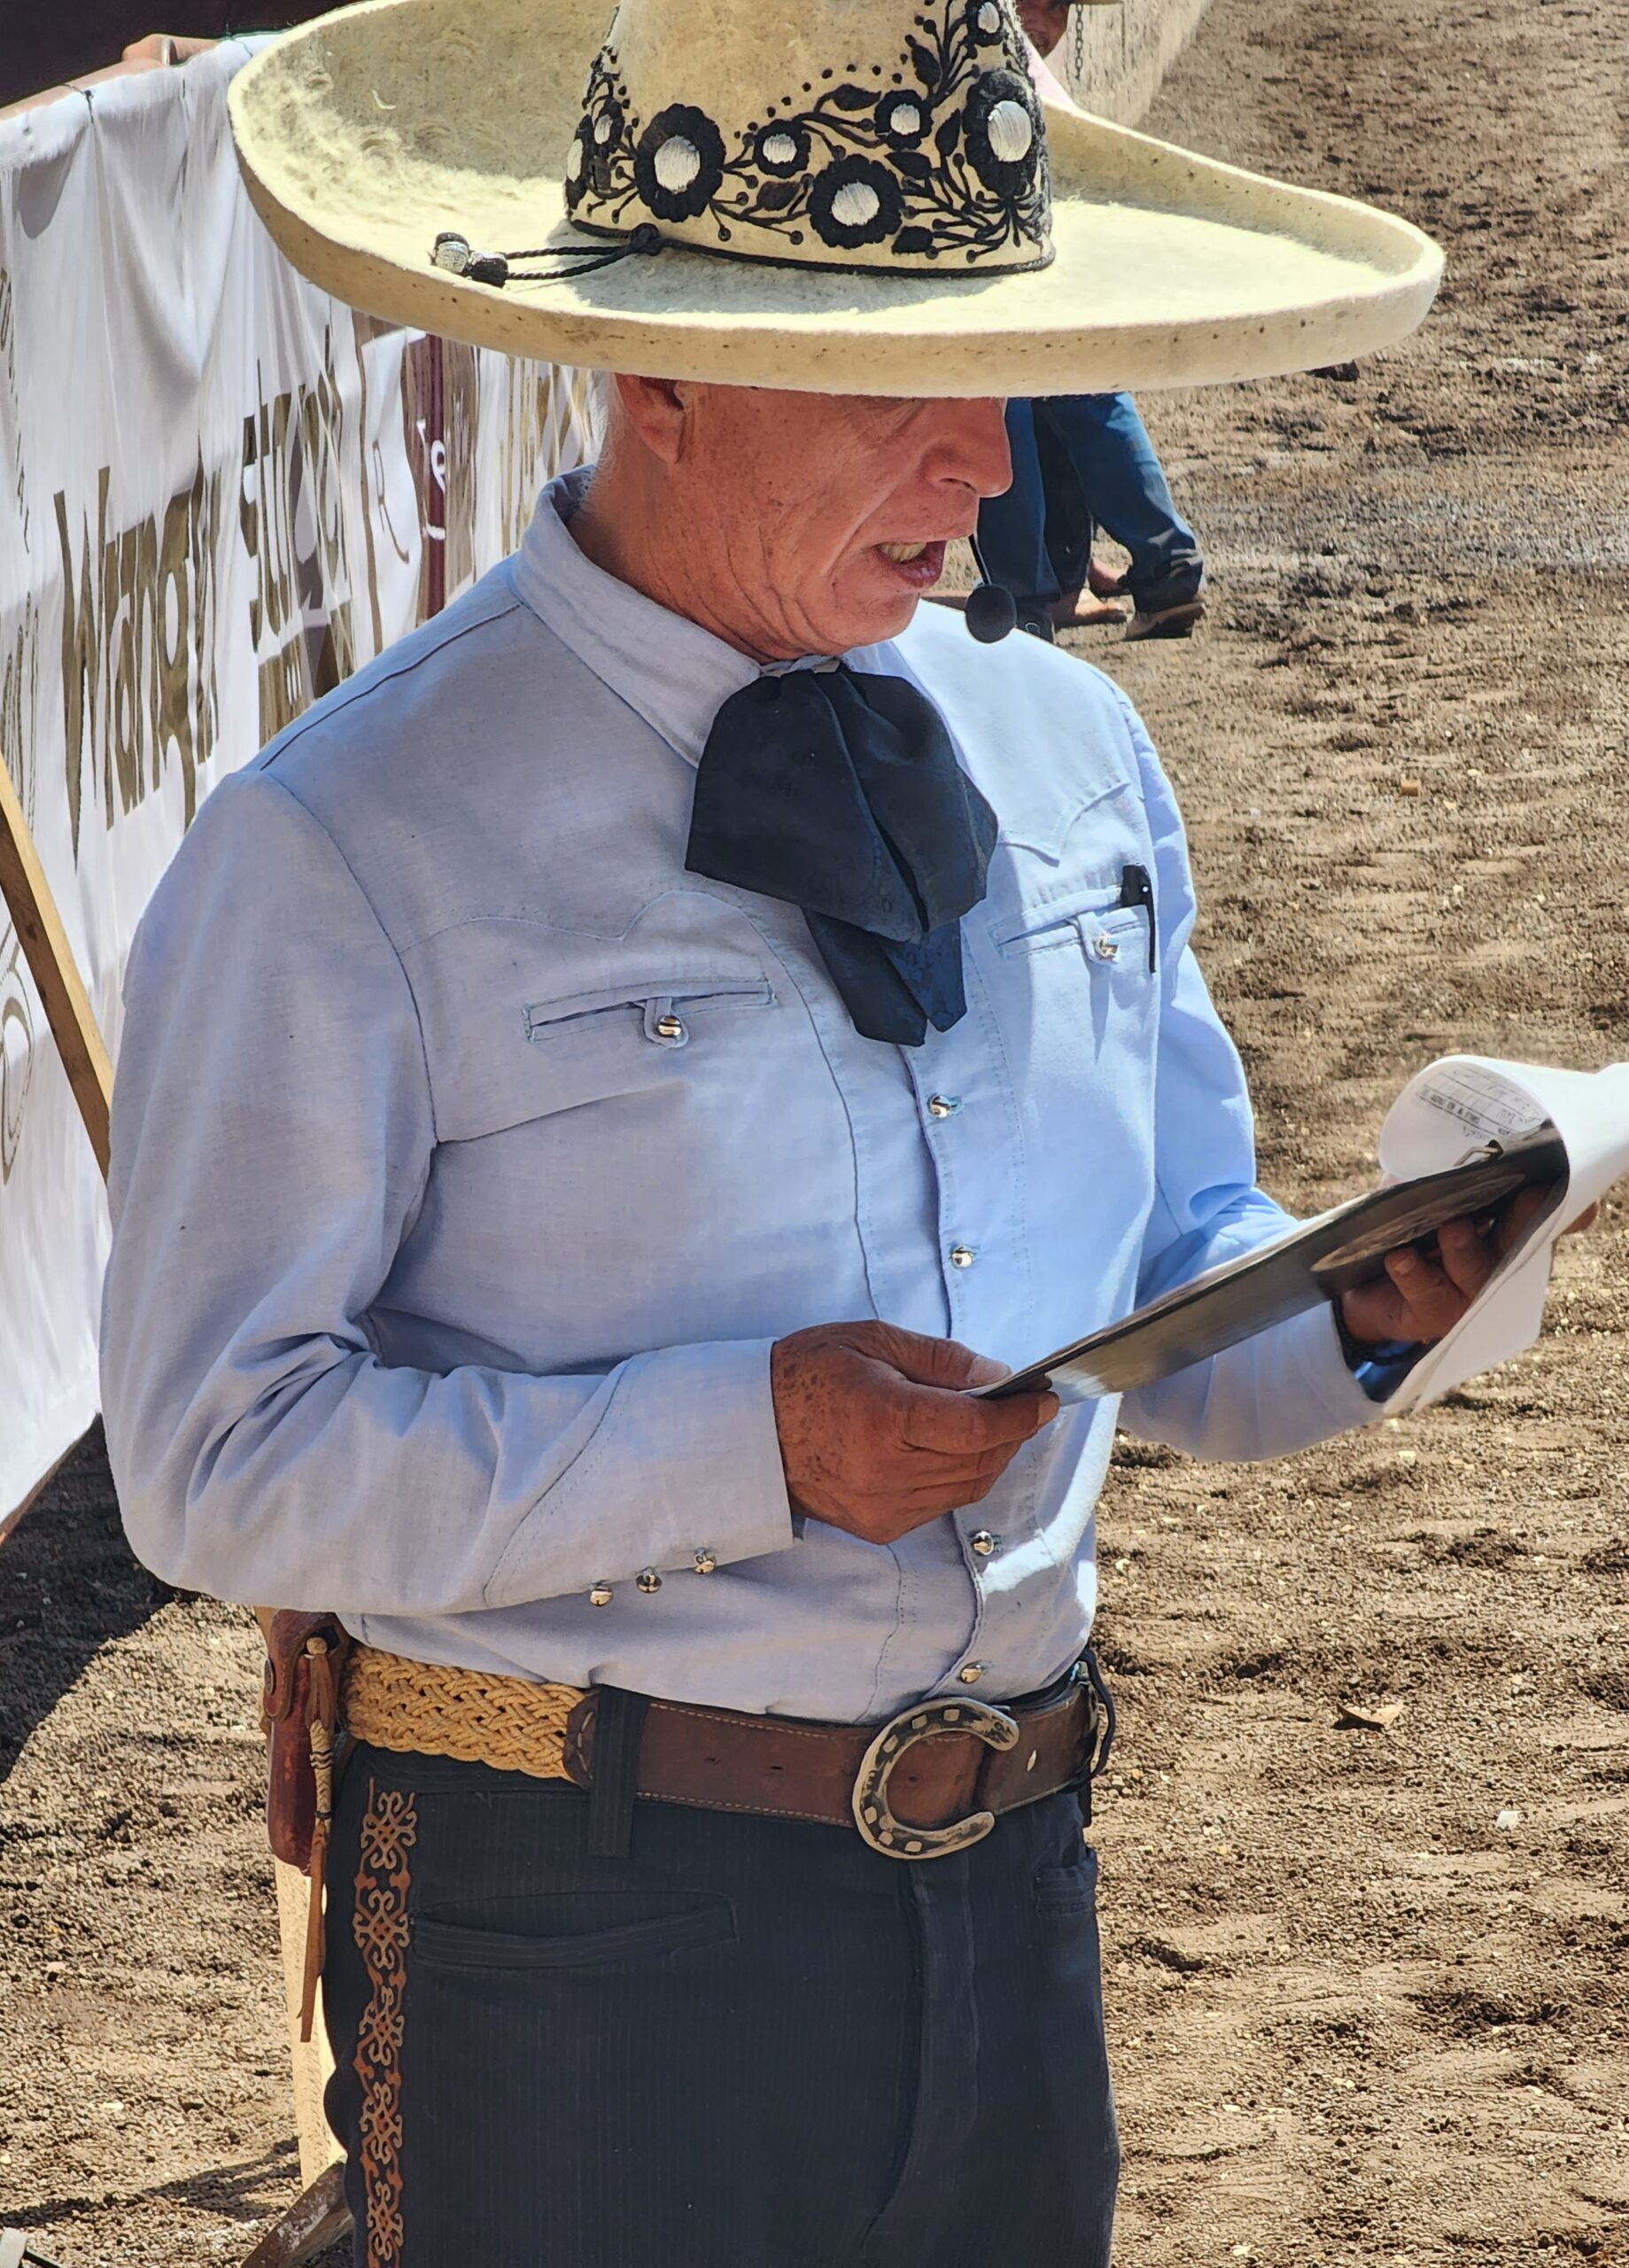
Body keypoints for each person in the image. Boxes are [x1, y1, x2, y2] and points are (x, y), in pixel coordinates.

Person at [101, 0, 1453, 2259]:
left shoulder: (1074, 754)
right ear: (666, 376)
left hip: (1015, 1873)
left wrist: (1372, 1296)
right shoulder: (349, 839)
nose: (983, 461)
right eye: (894, 390)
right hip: (577, 1926)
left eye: (1005, 370)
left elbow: (1170, 1288)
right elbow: (214, 1458)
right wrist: (749, 1440)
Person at [977, 0, 1208, 640]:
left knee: (999, 399)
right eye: (1041, 6)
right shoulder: (1014, 57)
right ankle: (1167, 569)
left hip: (986, 230)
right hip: (1050, 227)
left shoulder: (969, 40)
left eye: (1059, 9)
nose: (1048, 29)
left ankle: (1022, 602)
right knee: (1084, 392)